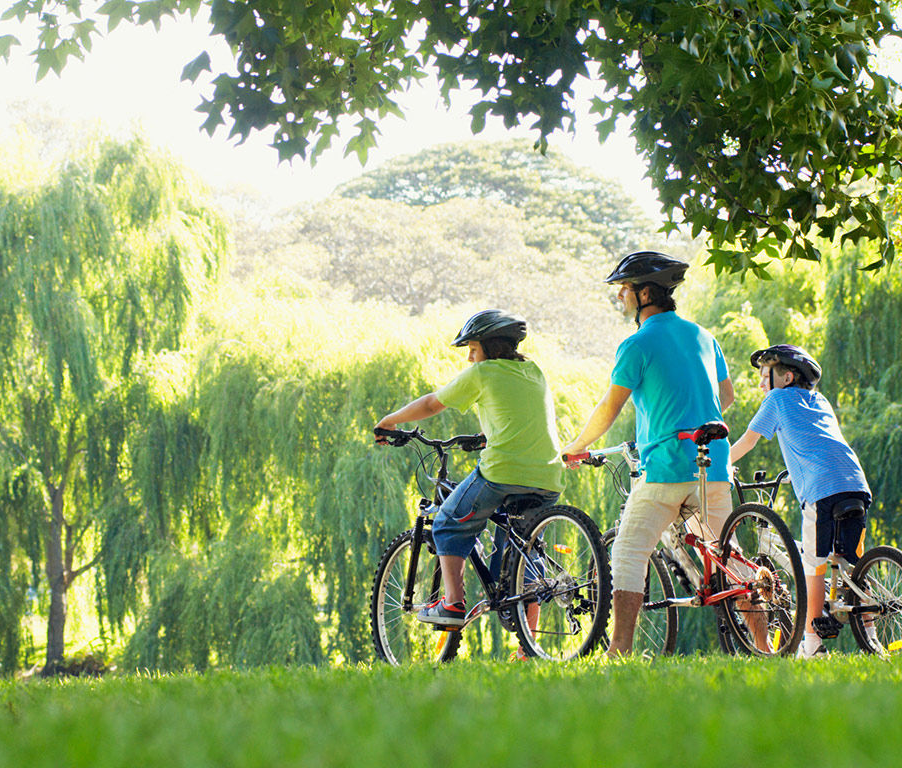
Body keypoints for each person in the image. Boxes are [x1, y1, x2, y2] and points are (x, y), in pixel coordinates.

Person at [561, 251, 739, 656]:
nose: (619, 296)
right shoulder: (704, 336)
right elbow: (725, 397)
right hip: (713, 465)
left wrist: (576, 446)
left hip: (665, 468)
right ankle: (762, 643)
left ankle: (620, 649)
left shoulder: (637, 344)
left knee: (629, 551)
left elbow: (610, 408)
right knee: (727, 556)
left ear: (644, 294)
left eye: (623, 289)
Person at [374, 309, 565, 629]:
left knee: (447, 524)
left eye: (473, 349)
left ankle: (452, 603)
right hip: (548, 477)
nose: (470, 358)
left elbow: (432, 404)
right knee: (523, 556)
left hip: (503, 473)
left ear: (490, 347)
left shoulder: (483, 373)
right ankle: (529, 644)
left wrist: (390, 421)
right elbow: (519, 415)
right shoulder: (534, 371)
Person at [729, 344, 872, 658]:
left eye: (765, 376)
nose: (761, 383)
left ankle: (812, 644)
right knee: (853, 563)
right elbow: (820, 441)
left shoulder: (777, 399)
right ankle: (872, 638)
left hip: (820, 489)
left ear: (787, 377)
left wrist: (721, 465)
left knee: (813, 565)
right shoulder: (819, 400)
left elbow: (749, 440)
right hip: (855, 483)